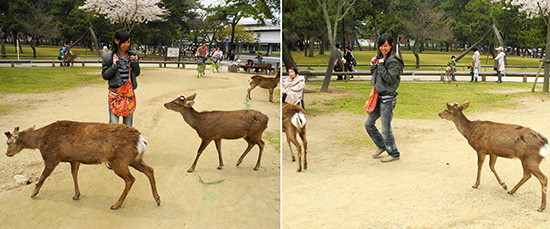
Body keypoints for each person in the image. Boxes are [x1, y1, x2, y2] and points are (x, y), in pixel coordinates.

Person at [365, 33, 404, 163]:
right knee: (368, 123)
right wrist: (373, 64)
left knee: (386, 128)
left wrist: (380, 65)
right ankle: (382, 146)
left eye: (386, 46)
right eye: (381, 46)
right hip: (377, 97)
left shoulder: (394, 62)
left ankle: (393, 153)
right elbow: (374, 74)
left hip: (388, 99)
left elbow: (389, 79)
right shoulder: (380, 58)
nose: (383, 48)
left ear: (391, 45)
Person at [102, 29, 140, 127]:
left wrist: (134, 62)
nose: (126, 45)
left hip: (128, 94)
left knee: (127, 125)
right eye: (123, 42)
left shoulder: (132, 55)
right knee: (113, 125)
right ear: (116, 41)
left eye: (128, 42)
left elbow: (137, 73)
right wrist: (114, 66)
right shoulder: (108, 57)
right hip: (115, 94)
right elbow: (105, 76)